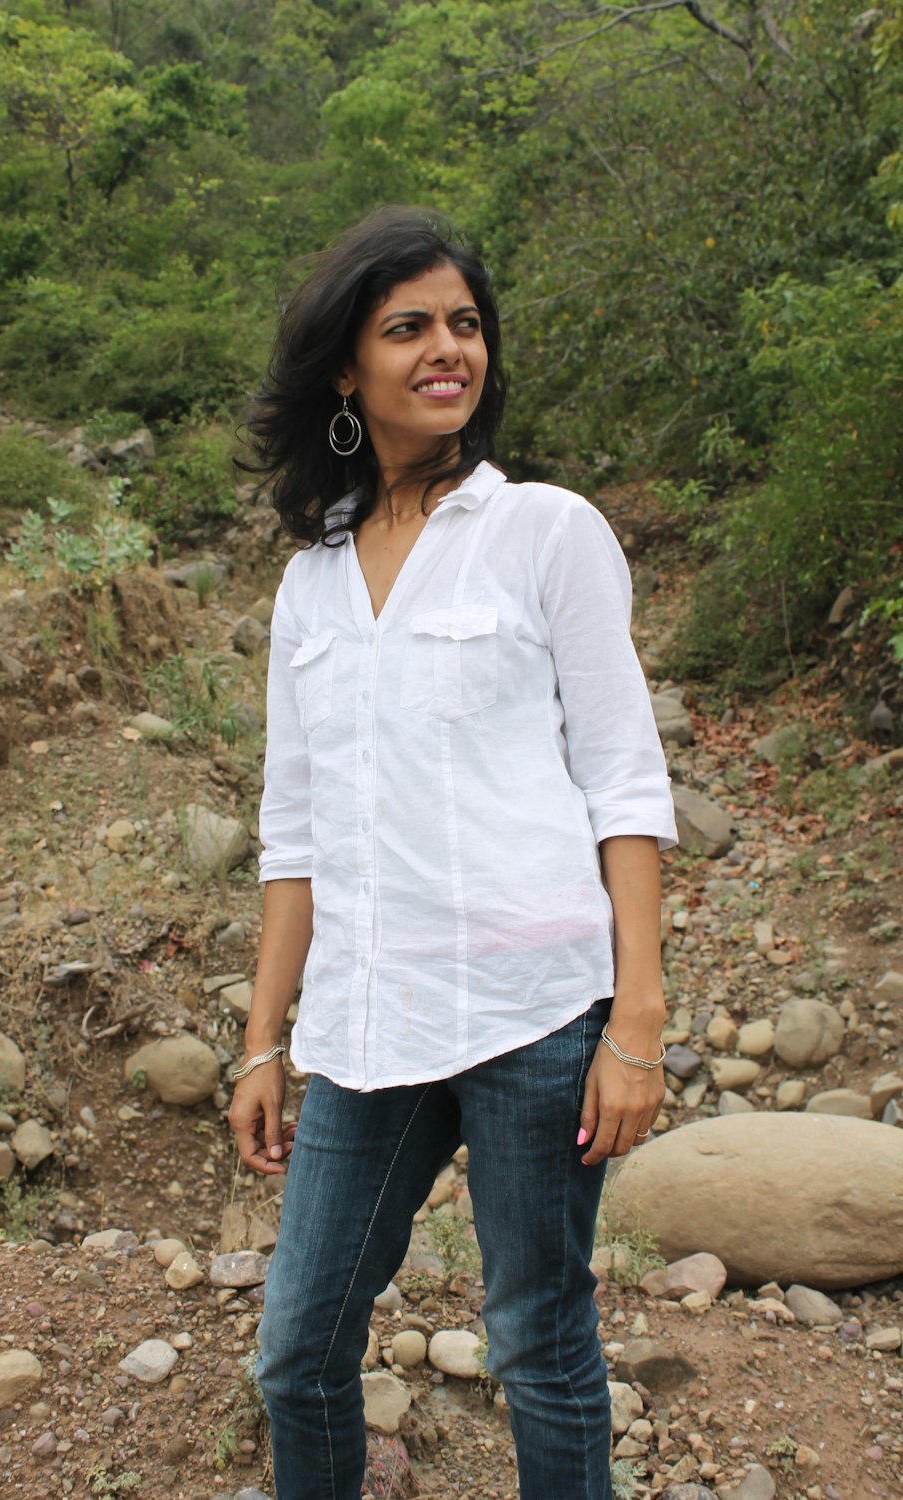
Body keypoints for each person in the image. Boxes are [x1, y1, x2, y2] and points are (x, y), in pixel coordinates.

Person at [227, 205, 677, 1500]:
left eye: (465, 325)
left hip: (540, 1014)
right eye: (408, 326)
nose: (448, 350)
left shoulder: (548, 533)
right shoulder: (309, 584)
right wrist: (266, 1038)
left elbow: (625, 778)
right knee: (299, 1350)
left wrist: (634, 1017)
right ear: (345, 369)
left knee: (539, 1341)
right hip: (371, 1023)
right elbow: (293, 831)